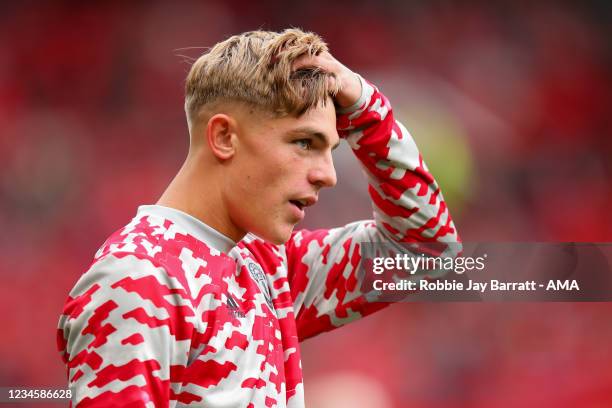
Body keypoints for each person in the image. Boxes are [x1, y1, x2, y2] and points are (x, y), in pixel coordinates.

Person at [57, 28, 459, 407]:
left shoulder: (266, 267)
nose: (328, 175)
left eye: (329, 151)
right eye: (304, 142)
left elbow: (424, 251)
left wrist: (365, 107)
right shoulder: (138, 281)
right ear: (224, 137)